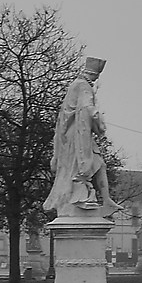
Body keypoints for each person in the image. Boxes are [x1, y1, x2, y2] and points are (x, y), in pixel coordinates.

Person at [45, 58, 112, 213]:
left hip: (72, 135)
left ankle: (105, 199)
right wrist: (100, 123)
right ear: (92, 74)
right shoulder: (83, 86)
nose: (97, 79)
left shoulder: (76, 84)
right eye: (96, 76)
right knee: (90, 166)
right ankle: (83, 197)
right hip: (77, 138)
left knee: (99, 164)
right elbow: (87, 108)